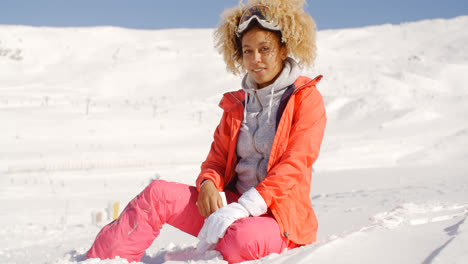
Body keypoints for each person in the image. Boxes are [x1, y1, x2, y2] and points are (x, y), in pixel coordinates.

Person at [86, 0, 326, 263]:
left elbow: (296, 163)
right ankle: (101, 259)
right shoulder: (236, 105)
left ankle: (202, 255)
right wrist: (209, 183)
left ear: (283, 49)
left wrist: (246, 207)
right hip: (231, 207)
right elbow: (216, 160)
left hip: (281, 219)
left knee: (239, 239)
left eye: (264, 49)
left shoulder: (305, 99)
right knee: (157, 195)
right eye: (247, 51)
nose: (255, 59)